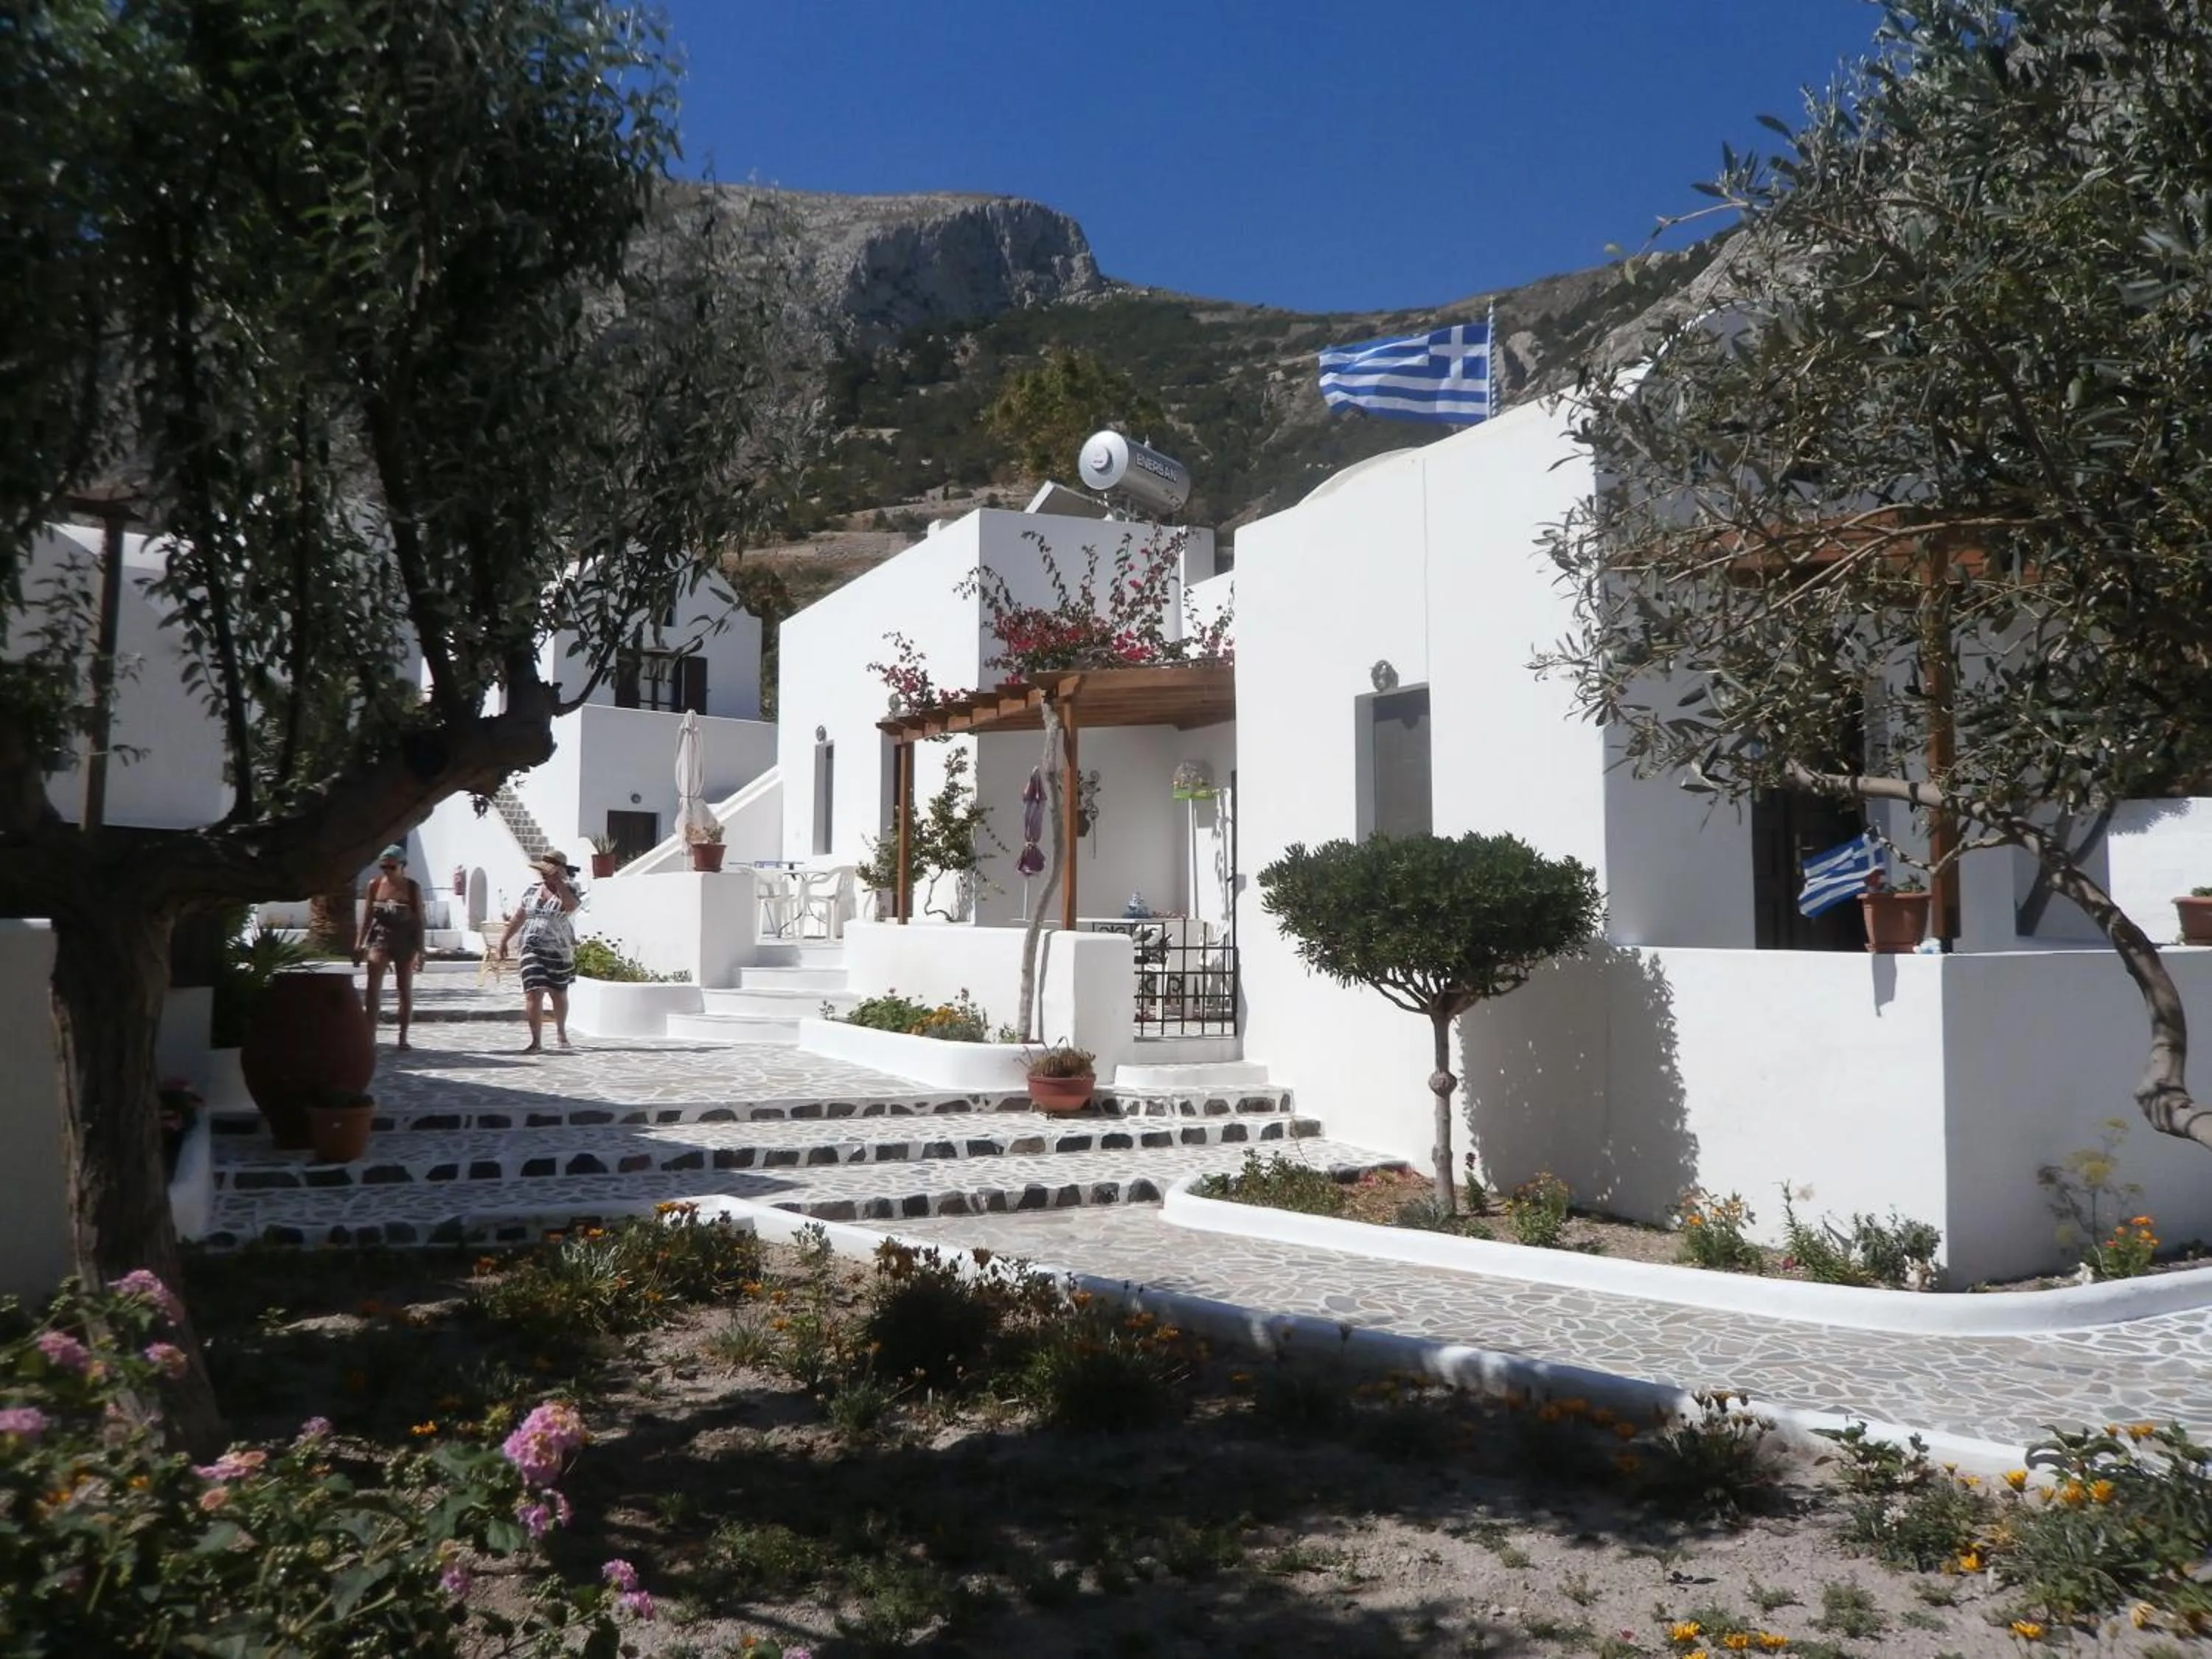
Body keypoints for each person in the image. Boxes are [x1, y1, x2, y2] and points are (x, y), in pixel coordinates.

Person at [496, 852, 582, 1053]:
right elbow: (519, 916)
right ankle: (536, 1041)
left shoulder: (571, 889)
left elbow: (569, 907)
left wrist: (559, 883)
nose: (544, 875)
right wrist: (504, 940)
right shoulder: (532, 891)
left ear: (560, 871)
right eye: (542, 871)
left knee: (558, 993)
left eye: (548, 871)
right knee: (533, 993)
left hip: (558, 950)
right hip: (531, 947)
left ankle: (561, 1032)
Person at [354, 844, 425, 1051]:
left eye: (391, 867)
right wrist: (359, 943)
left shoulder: (412, 888)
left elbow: (420, 920)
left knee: (404, 988)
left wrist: (421, 951)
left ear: (402, 866)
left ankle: (403, 1037)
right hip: (381, 938)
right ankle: (370, 1036)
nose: (387, 871)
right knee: (373, 987)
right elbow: (367, 915)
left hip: (405, 940)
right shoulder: (375, 885)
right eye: (383, 867)